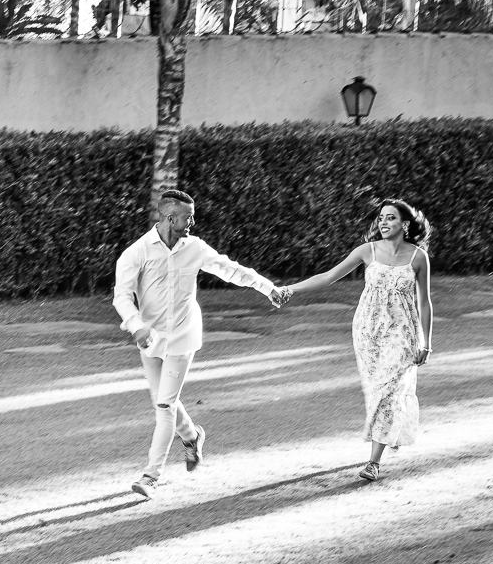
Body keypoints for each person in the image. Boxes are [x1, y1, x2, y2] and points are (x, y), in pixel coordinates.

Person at [113, 189, 285, 499]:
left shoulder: (195, 248)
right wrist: (136, 325)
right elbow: (122, 296)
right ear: (170, 217)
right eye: (188, 217)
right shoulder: (136, 252)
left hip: (183, 336)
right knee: (164, 400)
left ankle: (151, 476)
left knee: (164, 405)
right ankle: (192, 437)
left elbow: (230, 269)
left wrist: (267, 288)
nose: (193, 221)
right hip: (150, 340)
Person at [275, 198, 434, 481]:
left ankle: (373, 462)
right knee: (378, 391)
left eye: (391, 218)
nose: (383, 223)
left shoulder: (418, 257)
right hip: (368, 331)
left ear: (405, 224)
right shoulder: (367, 251)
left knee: (389, 389)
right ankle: (389, 433)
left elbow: (424, 302)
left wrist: (426, 342)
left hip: (402, 332)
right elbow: (327, 277)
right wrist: (289, 289)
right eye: (381, 218)